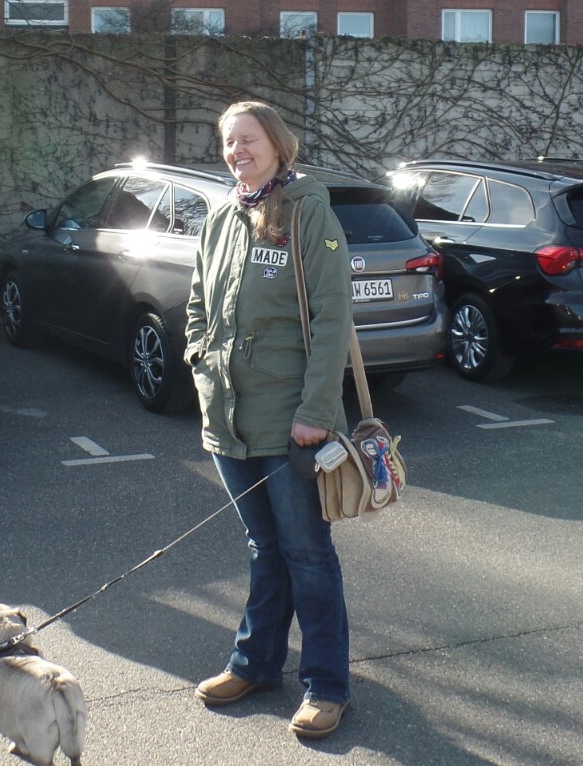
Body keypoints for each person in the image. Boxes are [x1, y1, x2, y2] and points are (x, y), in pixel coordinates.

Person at [184, 100, 354, 739]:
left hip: (291, 422)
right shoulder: (222, 213)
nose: (236, 151)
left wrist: (315, 413)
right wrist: (200, 358)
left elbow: (332, 318)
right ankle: (255, 664)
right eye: (228, 141)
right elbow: (198, 299)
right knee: (263, 548)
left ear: (277, 145)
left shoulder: (310, 212)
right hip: (228, 417)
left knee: (307, 553)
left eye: (247, 139)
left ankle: (327, 686)